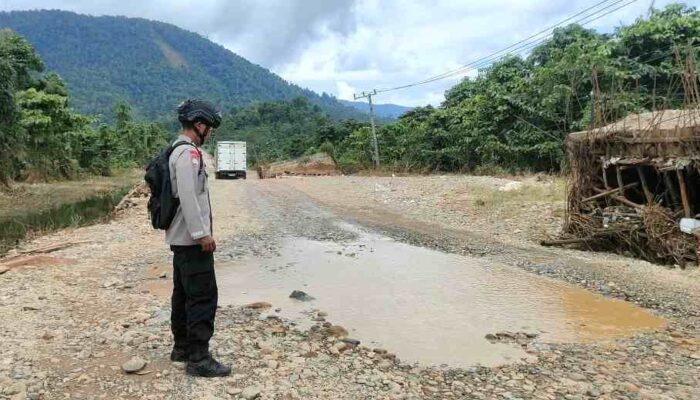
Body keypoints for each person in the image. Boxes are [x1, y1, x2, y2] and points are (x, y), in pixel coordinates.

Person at [166, 99, 230, 377]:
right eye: (210, 128)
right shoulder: (188, 155)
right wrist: (202, 234)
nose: (210, 133)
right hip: (191, 241)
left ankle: (181, 348)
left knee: (183, 295)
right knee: (202, 296)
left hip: (180, 239)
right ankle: (199, 358)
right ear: (199, 125)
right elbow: (190, 198)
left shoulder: (177, 150)